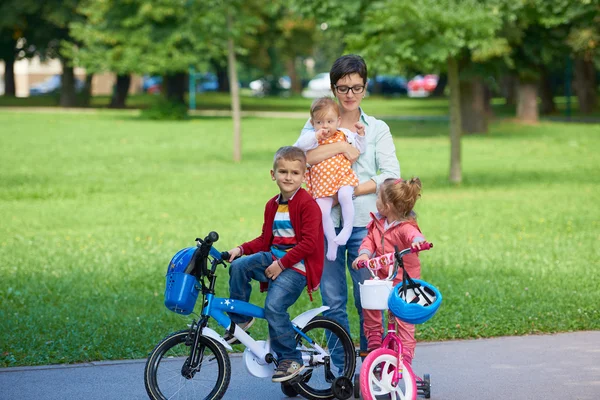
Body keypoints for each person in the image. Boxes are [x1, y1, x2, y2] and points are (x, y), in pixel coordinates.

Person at [295, 54, 400, 353]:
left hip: (365, 225)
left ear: (365, 89)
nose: (350, 94)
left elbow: (391, 176)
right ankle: (340, 368)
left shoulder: (377, 129)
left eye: (356, 88)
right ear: (333, 89)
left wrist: (351, 191)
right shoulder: (318, 121)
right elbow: (299, 159)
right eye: (343, 88)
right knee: (333, 301)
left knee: (367, 298)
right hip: (324, 224)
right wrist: (340, 145)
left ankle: (371, 364)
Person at [224, 146, 324, 383]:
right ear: (273, 174)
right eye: (283, 171)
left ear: (303, 175)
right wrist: (240, 249)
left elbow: (310, 243)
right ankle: (240, 320)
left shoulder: (307, 204)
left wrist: (282, 264)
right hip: (274, 258)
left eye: (295, 173)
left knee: (274, 307)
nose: (288, 177)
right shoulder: (272, 205)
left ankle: (291, 358)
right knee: (239, 267)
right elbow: (264, 240)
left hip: (297, 267)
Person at [352, 177, 426, 366]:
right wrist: (364, 255)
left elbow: (411, 234)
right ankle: (375, 340)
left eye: (378, 196)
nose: (375, 199)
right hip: (383, 277)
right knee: (370, 303)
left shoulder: (404, 226)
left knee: (403, 318)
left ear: (387, 205)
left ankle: (405, 355)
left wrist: (417, 241)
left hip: (404, 280)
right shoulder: (378, 222)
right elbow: (369, 240)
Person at [295, 96, 366, 261]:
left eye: (329, 121)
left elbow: (359, 149)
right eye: (319, 123)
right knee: (321, 211)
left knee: (344, 196)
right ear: (313, 124)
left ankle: (347, 229)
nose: (325, 126)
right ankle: (332, 241)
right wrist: (315, 136)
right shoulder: (312, 139)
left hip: (342, 178)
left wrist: (361, 136)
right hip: (322, 183)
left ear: (338, 121)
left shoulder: (345, 134)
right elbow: (299, 146)